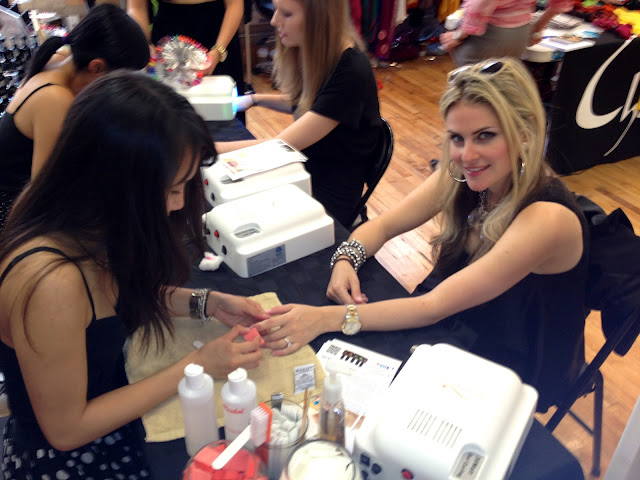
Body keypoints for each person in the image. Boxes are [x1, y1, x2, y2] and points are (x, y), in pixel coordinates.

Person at [253, 58, 589, 411]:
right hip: (456, 322)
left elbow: (433, 307)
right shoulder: (465, 171)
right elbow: (384, 226)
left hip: (509, 356)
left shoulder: (546, 218)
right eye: (457, 138)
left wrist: (324, 319)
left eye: (485, 136)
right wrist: (346, 258)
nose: (466, 155)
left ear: (525, 131)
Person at [0, 70, 267, 478]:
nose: (179, 204)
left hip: (113, 406)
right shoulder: (51, 283)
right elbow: (66, 430)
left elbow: (116, 299)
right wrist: (196, 365)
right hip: (74, 456)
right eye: (172, 189)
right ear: (118, 185)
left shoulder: (93, 226)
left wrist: (206, 302)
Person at [215, 0, 384, 228]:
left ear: (318, 19)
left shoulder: (351, 71)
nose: (274, 21)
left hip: (329, 201)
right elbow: (307, 103)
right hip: (307, 173)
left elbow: (281, 146)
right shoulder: (325, 56)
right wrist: (255, 99)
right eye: (276, 10)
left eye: (286, 13)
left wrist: (208, 148)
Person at [0, 4, 150, 231]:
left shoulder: (61, 56)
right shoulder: (54, 98)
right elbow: (45, 194)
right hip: (13, 213)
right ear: (96, 67)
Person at [127, 0, 245, 90]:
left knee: (222, 106)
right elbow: (136, 7)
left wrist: (218, 51)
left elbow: (234, 5)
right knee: (167, 108)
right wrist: (145, 45)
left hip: (219, 35)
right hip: (167, 39)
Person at [439, 0, 574, 66]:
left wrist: (458, 36)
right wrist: (537, 28)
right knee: (498, 86)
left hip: (488, 36)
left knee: (471, 91)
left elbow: (480, 5)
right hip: (519, 34)